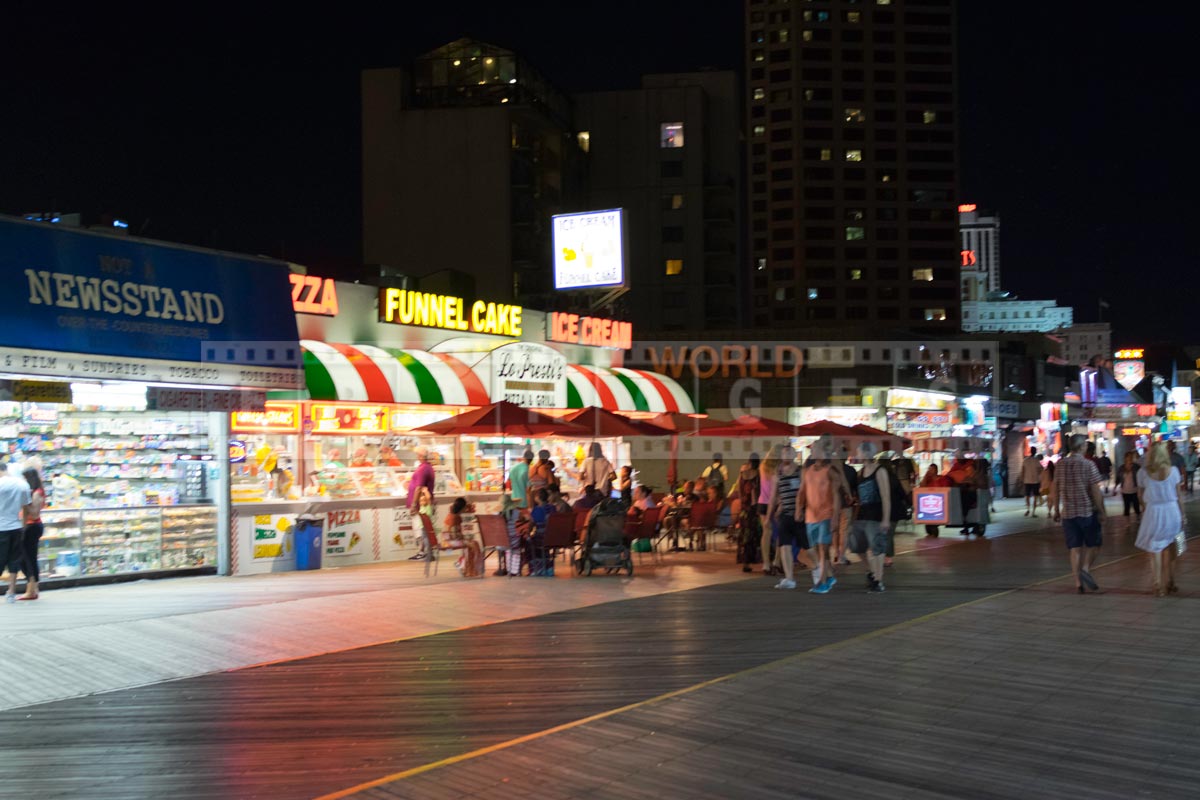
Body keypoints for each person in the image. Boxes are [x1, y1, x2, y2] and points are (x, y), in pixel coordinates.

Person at [1050, 434, 1107, 594]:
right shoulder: (1088, 465)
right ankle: (1086, 568)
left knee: (1074, 548)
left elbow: (1055, 487)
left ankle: (1077, 583)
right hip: (1087, 511)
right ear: (1082, 447)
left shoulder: (1060, 465)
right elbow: (1095, 490)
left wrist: (1055, 509)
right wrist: (1101, 510)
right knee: (1094, 544)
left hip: (1068, 513)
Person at [1134, 442, 1185, 596]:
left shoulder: (1143, 473)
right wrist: (1183, 515)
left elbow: (1140, 496)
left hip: (1153, 512)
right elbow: (1179, 496)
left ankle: (1157, 584)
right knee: (1173, 547)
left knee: (1154, 548)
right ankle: (1170, 580)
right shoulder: (1174, 471)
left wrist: (1145, 508)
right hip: (1172, 511)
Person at [798, 436, 848, 594]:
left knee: (823, 549)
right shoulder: (808, 470)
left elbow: (836, 495)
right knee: (812, 549)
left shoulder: (830, 470)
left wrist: (834, 517)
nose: (812, 451)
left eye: (814, 449)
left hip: (826, 515)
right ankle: (829, 576)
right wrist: (798, 508)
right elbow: (802, 491)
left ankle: (822, 582)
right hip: (810, 515)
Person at [766, 444, 811, 590]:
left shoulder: (800, 471)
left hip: (800, 514)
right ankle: (789, 578)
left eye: (789, 453)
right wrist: (768, 517)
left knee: (807, 547)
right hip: (785, 514)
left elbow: (805, 492)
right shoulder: (777, 474)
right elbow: (773, 497)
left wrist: (802, 509)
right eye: (784, 453)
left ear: (794, 455)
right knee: (784, 545)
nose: (786, 455)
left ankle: (818, 569)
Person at [850, 442, 892, 592]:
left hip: (876, 514)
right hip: (862, 513)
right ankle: (871, 571)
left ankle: (878, 580)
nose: (856, 455)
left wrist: (886, 518)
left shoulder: (879, 471)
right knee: (856, 545)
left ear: (867, 454)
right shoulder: (860, 473)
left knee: (877, 547)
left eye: (858, 452)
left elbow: (886, 496)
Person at [0, 460, 33, 602]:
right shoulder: (22, 484)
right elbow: (26, 507)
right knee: (14, 559)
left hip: (1, 527)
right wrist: (24, 525)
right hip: (16, 526)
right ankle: (11, 592)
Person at [17, 467, 44, 601]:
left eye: (25, 478)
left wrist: (25, 503)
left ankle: (32, 588)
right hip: (29, 527)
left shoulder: (36, 493)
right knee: (25, 558)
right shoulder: (32, 492)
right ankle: (33, 587)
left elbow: (34, 513)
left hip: (32, 527)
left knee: (29, 558)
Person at [734, 453, 762, 573]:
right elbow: (759, 493)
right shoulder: (758, 476)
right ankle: (751, 560)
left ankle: (744, 561)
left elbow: (739, 492)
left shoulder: (742, 475)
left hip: (744, 510)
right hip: (753, 509)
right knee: (752, 535)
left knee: (744, 535)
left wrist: (741, 505)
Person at [443, 497, 483, 577]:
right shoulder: (454, 518)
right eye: (465, 507)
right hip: (450, 541)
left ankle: (465, 566)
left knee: (473, 544)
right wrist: (464, 538)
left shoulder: (452, 515)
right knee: (474, 545)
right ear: (462, 508)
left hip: (449, 540)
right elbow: (453, 533)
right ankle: (469, 567)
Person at [758, 445, 781, 576]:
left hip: (762, 502)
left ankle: (766, 563)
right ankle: (776, 561)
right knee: (780, 534)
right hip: (776, 503)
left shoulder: (762, 466)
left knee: (766, 533)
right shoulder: (779, 468)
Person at [406, 446, 436, 513]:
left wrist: (413, 505)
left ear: (420, 456)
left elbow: (419, 488)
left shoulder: (423, 469)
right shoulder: (428, 467)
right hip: (423, 504)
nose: (417, 456)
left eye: (417, 454)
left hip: (420, 506)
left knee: (419, 523)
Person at [919, 463, 945, 537]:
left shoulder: (942, 479)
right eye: (929, 469)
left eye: (931, 469)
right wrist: (926, 476)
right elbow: (921, 487)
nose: (930, 471)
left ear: (936, 470)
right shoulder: (928, 481)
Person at [1115, 451, 1141, 519]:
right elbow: (1118, 478)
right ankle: (1127, 522)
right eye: (1128, 457)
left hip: (1134, 490)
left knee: (1136, 505)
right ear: (1125, 458)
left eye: (1131, 457)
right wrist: (1115, 487)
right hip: (1125, 490)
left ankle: (1138, 519)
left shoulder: (1136, 467)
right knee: (1127, 506)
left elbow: (1141, 477)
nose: (1130, 458)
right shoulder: (1121, 468)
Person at [508, 449, 533, 517]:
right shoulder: (527, 470)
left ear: (523, 457)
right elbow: (528, 490)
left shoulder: (513, 468)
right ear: (531, 459)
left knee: (515, 522)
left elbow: (509, 483)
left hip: (514, 499)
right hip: (524, 502)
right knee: (523, 525)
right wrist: (530, 506)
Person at [1021, 447, 1044, 517]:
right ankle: (1033, 512)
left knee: (1027, 496)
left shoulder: (1025, 460)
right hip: (1035, 481)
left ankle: (1028, 509)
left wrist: (1022, 479)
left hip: (1027, 480)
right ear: (1035, 452)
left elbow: (1022, 471)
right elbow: (1041, 469)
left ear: (1030, 451)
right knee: (1035, 497)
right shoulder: (1036, 460)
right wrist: (1038, 473)